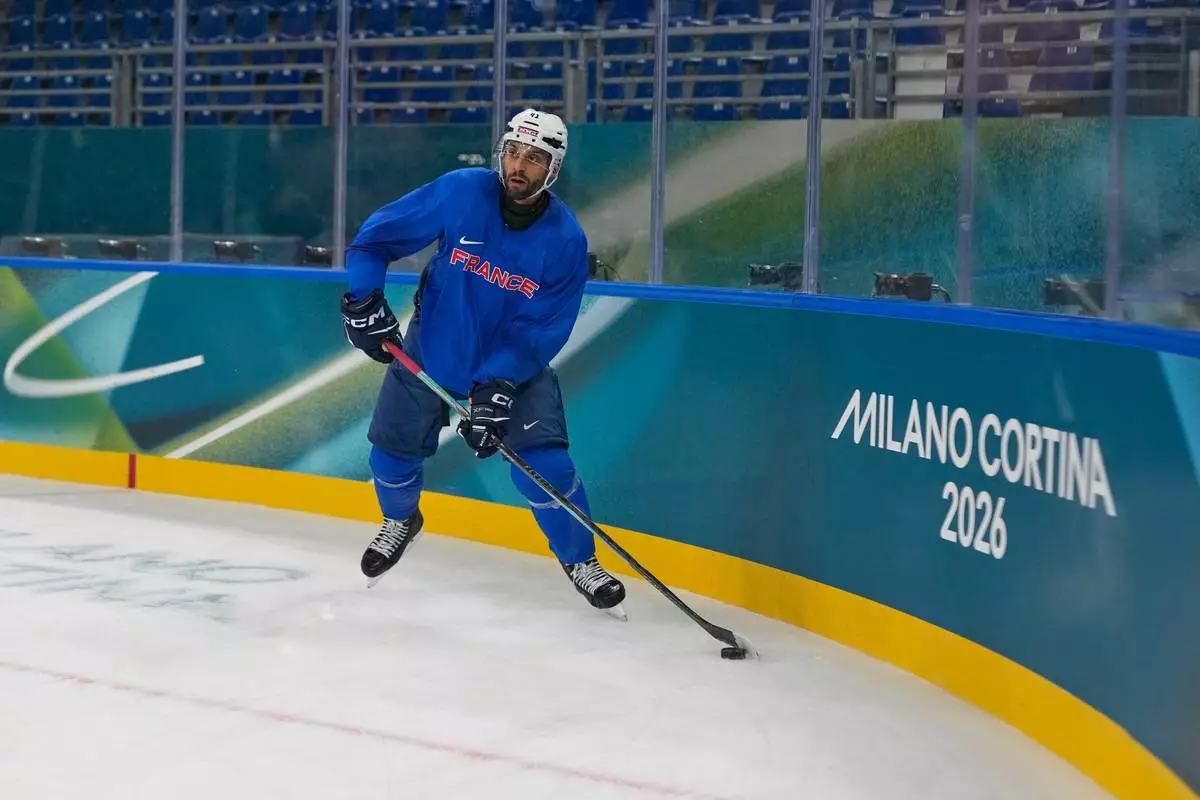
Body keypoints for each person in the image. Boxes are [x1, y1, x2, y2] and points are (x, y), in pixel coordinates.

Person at [339, 108, 626, 615]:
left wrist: (499, 383)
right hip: (432, 349)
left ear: (553, 168)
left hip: (513, 370)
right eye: (513, 152)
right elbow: (376, 239)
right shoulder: (462, 191)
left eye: (534, 158)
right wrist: (363, 299)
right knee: (390, 457)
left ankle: (581, 560)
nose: (519, 165)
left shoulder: (565, 241)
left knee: (546, 468)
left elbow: (542, 328)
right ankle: (401, 520)